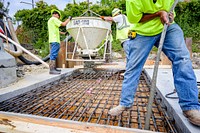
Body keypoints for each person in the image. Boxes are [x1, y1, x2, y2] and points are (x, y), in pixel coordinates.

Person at [108, 0, 200, 126]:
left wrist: (170, 15)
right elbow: (135, 18)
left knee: (182, 59)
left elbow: (172, 8)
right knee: (133, 67)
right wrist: (158, 14)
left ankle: (190, 107)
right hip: (142, 31)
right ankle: (125, 103)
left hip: (167, 27)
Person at [48, 9, 72, 74]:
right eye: (58, 16)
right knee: (53, 54)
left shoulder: (50, 21)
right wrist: (69, 19)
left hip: (53, 40)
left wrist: (63, 33)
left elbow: (56, 31)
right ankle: (52, 69)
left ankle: (53, 68)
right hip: (55, 40)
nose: (58, 18)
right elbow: (63, 24)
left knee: (54, 54)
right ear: (56, 14)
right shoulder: (54, 19)